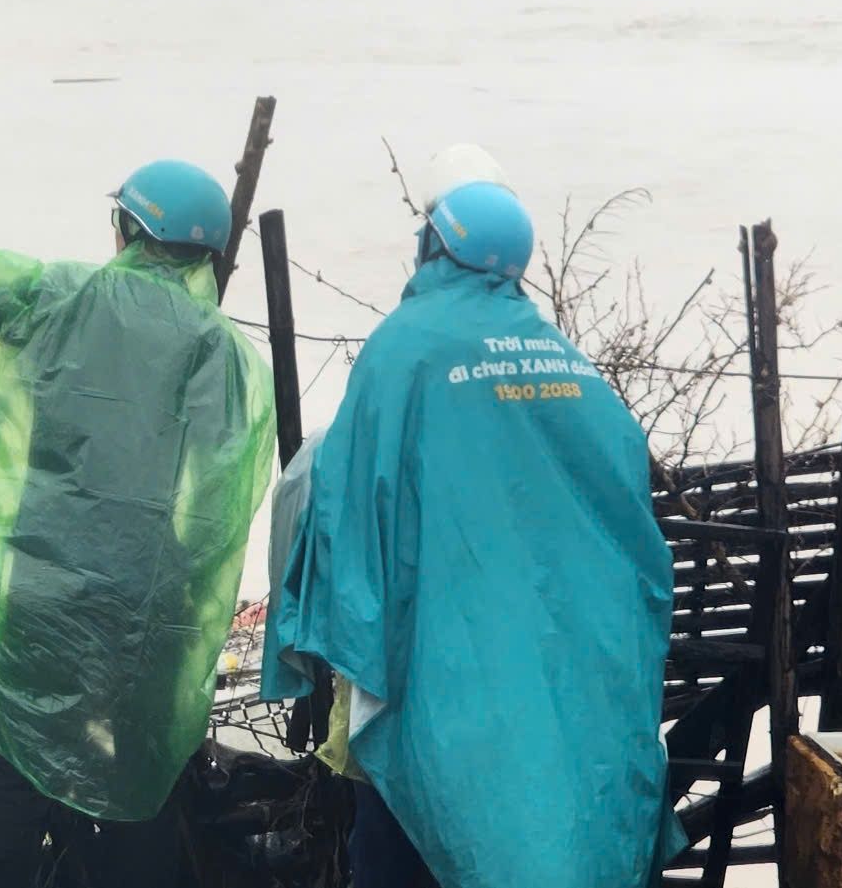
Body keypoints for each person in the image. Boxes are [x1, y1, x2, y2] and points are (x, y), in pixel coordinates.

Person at [263, 151, 684, 888]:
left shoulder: (404, 347)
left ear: (431, 243)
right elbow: (629, 535)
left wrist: (321, 643)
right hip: (552, 670)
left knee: (405, 840)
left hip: (434, 676)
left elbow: (343, 512)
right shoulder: (570, 366)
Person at [0, 160, 276, 888]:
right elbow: (219, 494)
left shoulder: (60, 294)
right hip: (153, 605)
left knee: (21, 767)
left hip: (44, 590)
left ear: (126, 229)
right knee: (137, 784)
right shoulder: (230, 354)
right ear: (210, 256)